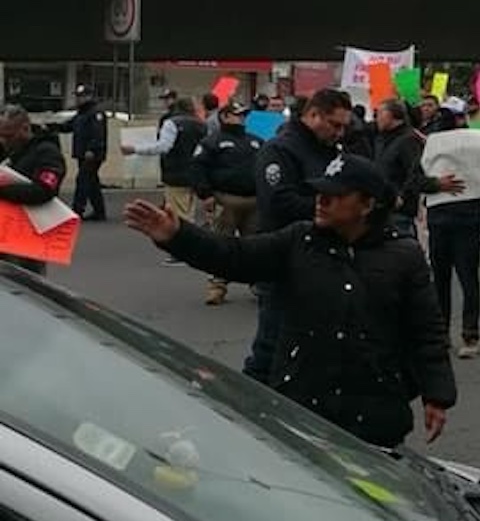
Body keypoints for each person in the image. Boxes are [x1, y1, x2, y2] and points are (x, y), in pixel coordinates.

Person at [124, 155, 456, 449]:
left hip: (374, 415)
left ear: (366, 205)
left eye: (335, 195)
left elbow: (426, 331)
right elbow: (235, 256)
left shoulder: (404, 256)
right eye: (319, 192)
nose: (321, 201)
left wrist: (436, 396)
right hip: (302, 408)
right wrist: (177, 236)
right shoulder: (298, 241)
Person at [246, 86, 353, 382]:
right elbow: (279, 201)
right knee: (271, 345)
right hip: (284, 258)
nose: (339, 133)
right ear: (313, 115)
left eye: (344, 126)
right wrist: (334, 210)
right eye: (334, 125)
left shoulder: (332, 151)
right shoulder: (281, 150)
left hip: (324, 258)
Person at [425, 101, 480, 357]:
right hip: (440, 219)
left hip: (466, 220)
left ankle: (470, 334)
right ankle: (442, 334)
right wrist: (435, 184)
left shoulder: (477, 146)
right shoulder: (431, 146)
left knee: (467, 279)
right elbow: (413, 180)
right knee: (440, 280)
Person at [190, 100, 262, 305]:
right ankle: (217, 286)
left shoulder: (255, 141)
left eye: (243, 114)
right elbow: (197, 168)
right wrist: (205, 195)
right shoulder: (212, 142)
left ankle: (258, 283)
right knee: (221, 244)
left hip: (254, 200)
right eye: (237, 114)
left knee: (257, 244)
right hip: (225, 199)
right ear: (224, 116)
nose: (241, 118)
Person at [0, 105, 68, 275]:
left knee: (24, 288)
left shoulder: (46, 153)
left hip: (27, 237)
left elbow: (44, 190)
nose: (4, 140)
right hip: (5, 231)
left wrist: (3, 190)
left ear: (25, 128)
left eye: (9, 135)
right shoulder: (10, 150)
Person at [121, 96, 204, 226]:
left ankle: (183, 241)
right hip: (196, 173)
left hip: (175, 172)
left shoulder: (172, 123)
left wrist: (135, 149)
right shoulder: (201, 125)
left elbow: (163, 146)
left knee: (178, 215)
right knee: (189, 210)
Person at [373, 98, 427, 234]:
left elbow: (414, 172)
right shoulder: (382, 139)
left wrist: (402, 197)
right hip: (383, 205)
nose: (376, 118)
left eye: (379, 113)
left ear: (391, 115)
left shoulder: (408, 140)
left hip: (400, 209)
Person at [59, 85, 108, 222]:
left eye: (82, 96)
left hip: (92, 154)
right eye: (78, 96)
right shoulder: (82, 113)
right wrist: (51, 127)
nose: (79, 99)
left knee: (83, 180)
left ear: (89, 96)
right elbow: (68, 126)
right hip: (83, 153)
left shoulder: (95, 113)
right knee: (92, 182)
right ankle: (99, 211)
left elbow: (98, 134)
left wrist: (92, 149)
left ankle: (77, 210)